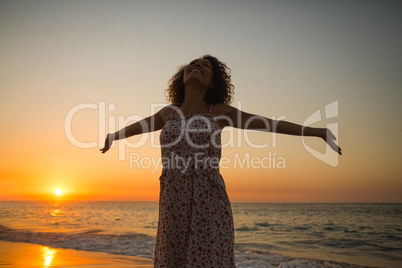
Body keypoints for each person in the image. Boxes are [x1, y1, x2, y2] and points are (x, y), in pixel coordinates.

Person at [100, 55, 342, 267]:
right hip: (173, 201)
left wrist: (316, 132)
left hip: (209, 202)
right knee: (171, 260)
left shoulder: (219, 111)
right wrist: (113, 136)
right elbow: (139, 127)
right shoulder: (168, 113)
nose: (197, 65)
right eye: (193, 63)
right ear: (182, 78)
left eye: (205, 65)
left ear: (212, 82)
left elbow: (270, 124)